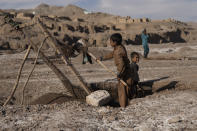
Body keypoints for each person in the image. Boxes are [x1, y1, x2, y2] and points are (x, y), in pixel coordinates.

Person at [98, 33, 134, 107]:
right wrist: (102, 58)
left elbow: (121, 64)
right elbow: (112, 54)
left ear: (115, 42)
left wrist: (120, 75)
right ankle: (128, 104)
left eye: (111, 41)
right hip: (127, 71)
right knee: (127, 88)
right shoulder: (119, 47)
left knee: (122, 91)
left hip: (124, 72)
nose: (110, 42)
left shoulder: (118, 52)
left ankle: (123, 106)